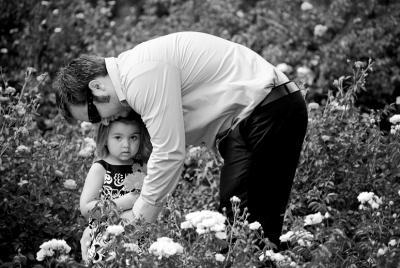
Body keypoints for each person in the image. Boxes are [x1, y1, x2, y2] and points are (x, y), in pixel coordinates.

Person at [55, 31, 308, 247]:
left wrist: (138, 223)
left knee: (245, 234)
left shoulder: (139, 76)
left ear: (97, 88)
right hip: (256, 119)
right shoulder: (133, 80)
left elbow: (168, 153)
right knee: (246, 232)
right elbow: (149, 162)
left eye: (93, 116)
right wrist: (105, 221)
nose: (104, 123)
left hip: (268, 112)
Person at [79, 113, 151, 262]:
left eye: (133, 137)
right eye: (118, 137)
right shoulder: (101, 168)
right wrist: (123, 202)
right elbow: (86, 208)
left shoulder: (142, 167)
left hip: (137, 240)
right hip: (106, 241)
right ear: (105, 138)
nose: (126, 144)